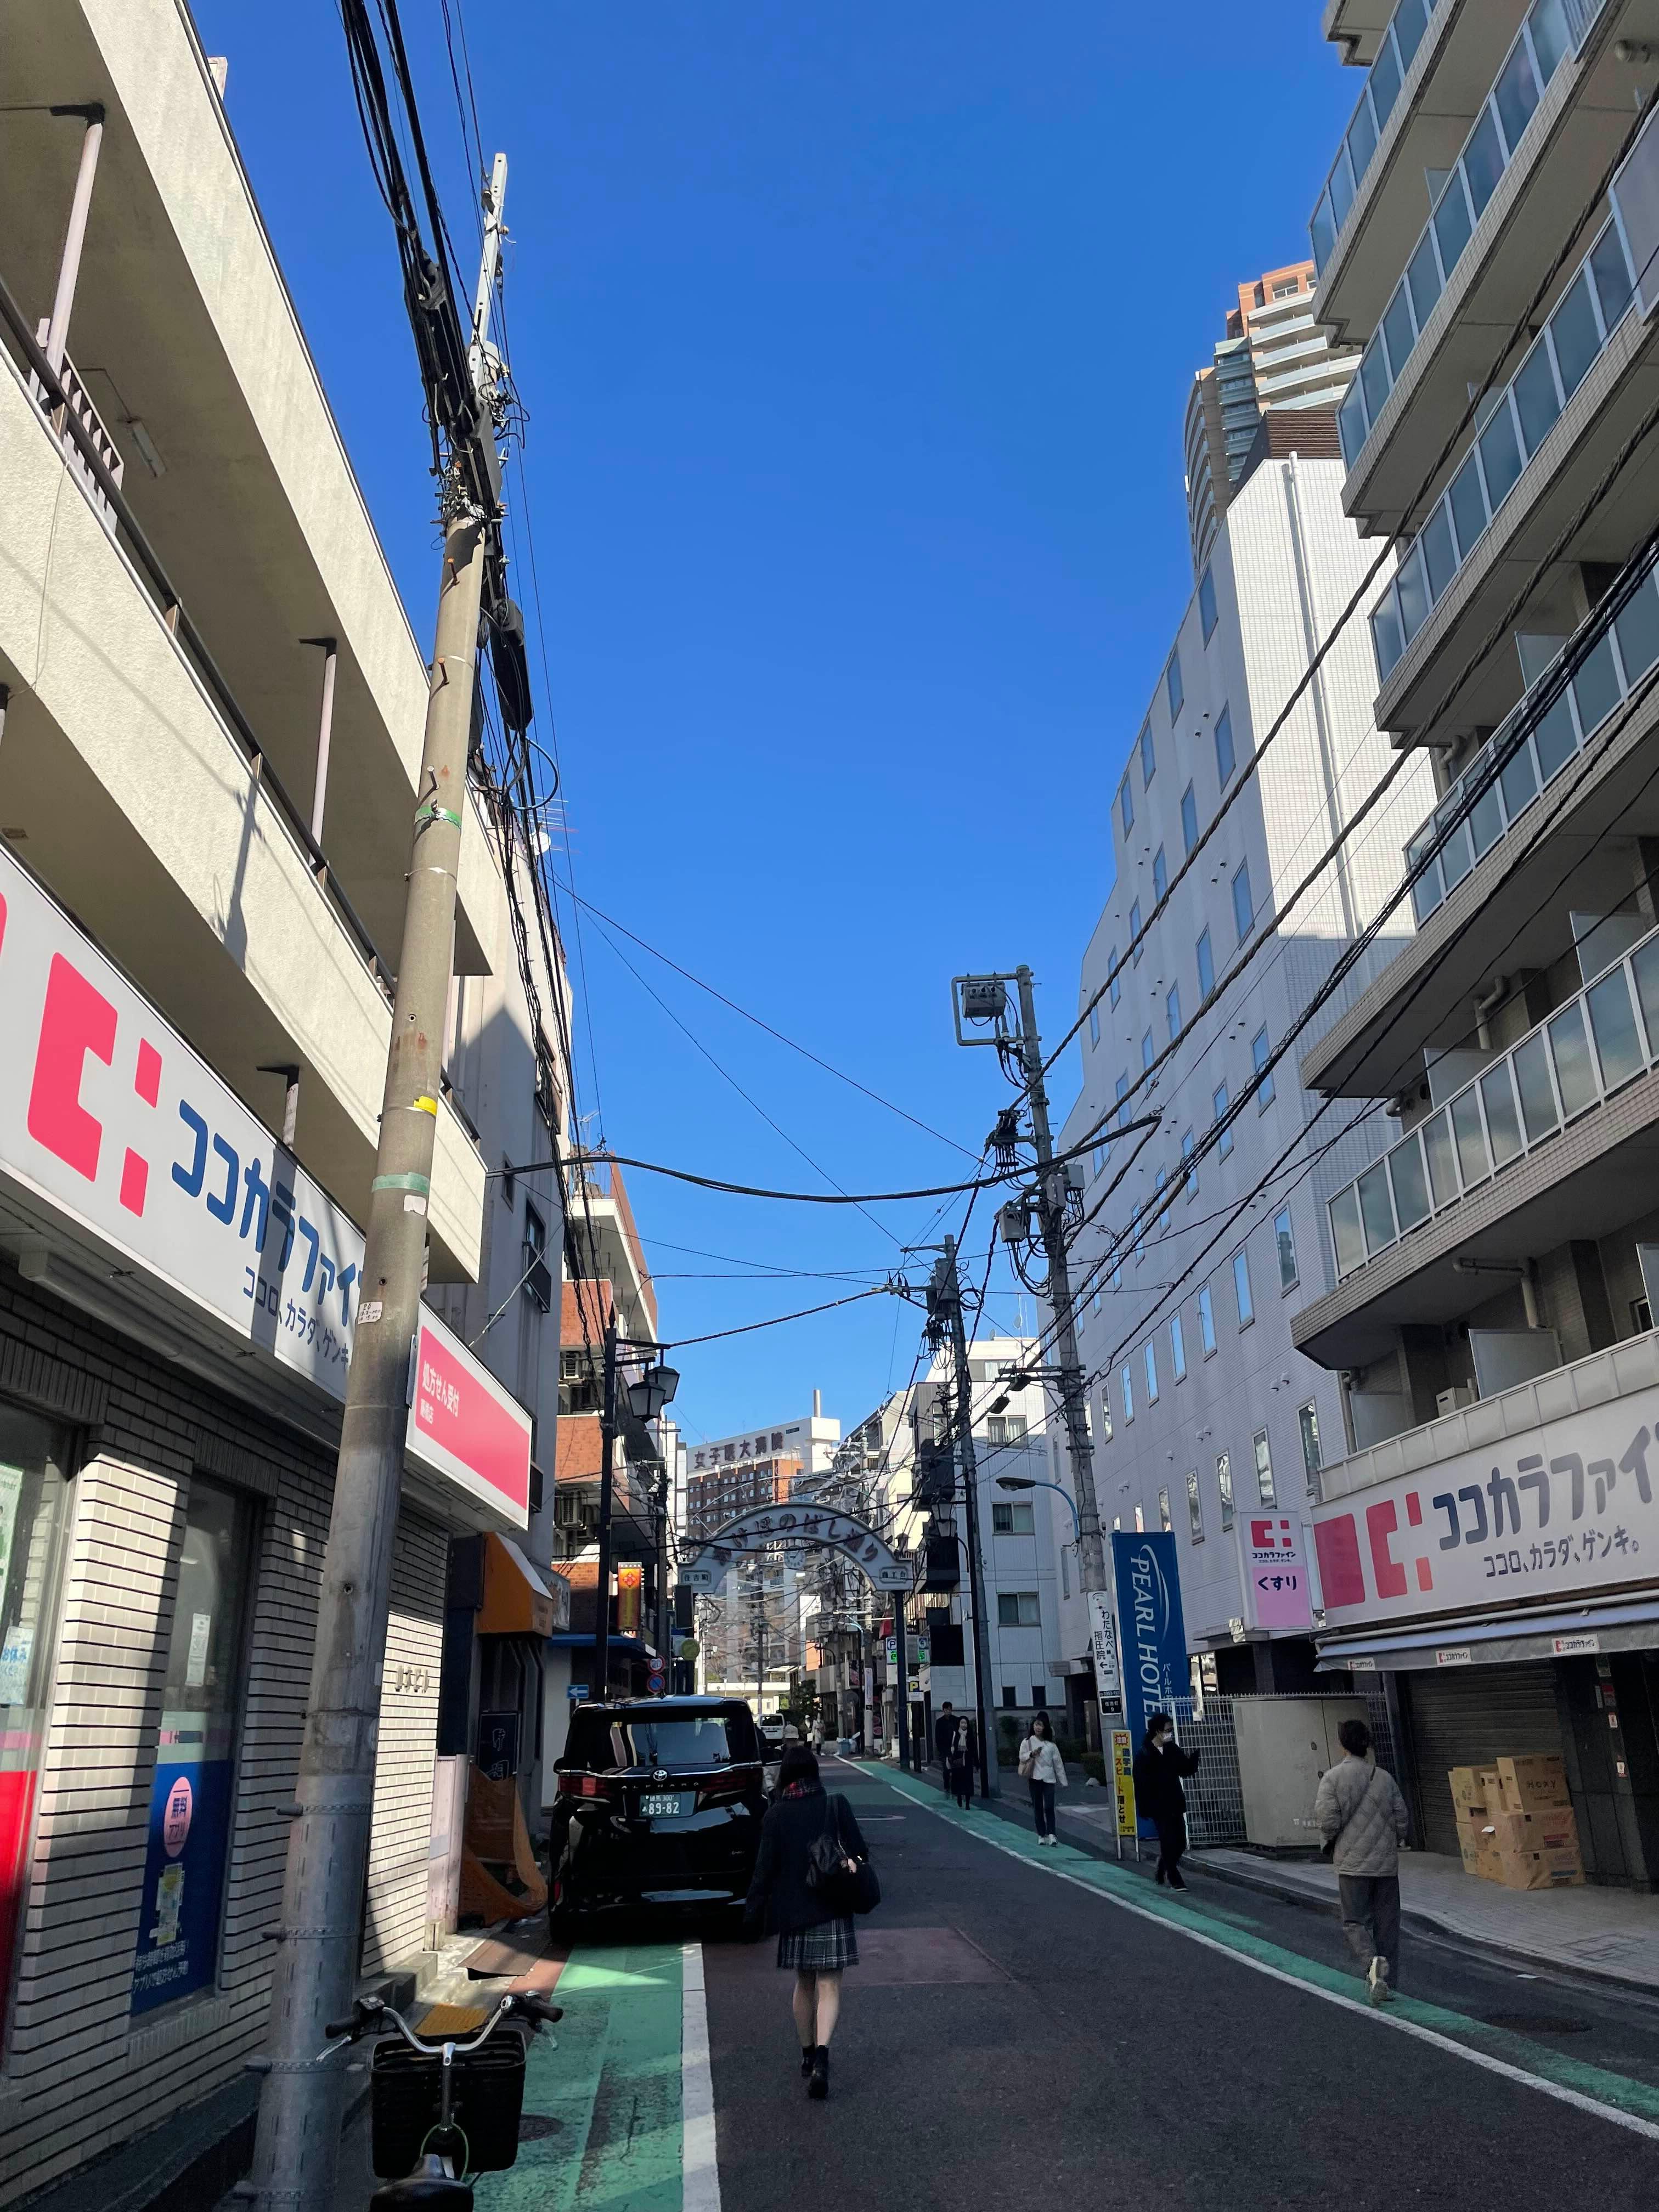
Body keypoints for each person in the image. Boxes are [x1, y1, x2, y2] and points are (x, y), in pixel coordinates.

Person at [744, 1742, 868, 2099]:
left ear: (785, 1776)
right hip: (832, 1906)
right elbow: (860, 1851)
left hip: (794, 1913)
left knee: (804, 1983)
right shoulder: (834, 1805)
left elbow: (763, 1871)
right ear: (815, 1772)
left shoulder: (776, 1814)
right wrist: (851, 1863)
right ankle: (823, 2059)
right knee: (830, 1985)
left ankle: (807, 2054)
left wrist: (752, 1913)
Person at [1314, 1716, 1410, 2006]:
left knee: (1355, 1921)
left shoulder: (1332, 1778)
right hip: (1386, 1866)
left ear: (1342, 1745)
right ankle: (1388, 1982)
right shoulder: (1384, 1777)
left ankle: (1372, 1965)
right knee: (1387, 1926)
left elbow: (1328, 1821)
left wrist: (1332, 1842)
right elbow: (1402, 1818)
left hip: (1352, 1865)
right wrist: (1392, 1841)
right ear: (1367, 1745)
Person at [1132, 1711, 1200, 1889]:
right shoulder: (1145, 1754)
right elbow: (1140, 1784)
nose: (1170, 1733)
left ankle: (1163, 1864)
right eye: (1168, 1730)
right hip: (1158, 1806)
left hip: (1175, 1801)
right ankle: (1174, 1877)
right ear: (1157, 1731)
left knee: (1180, 1842)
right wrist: (1144, 1806)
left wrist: (1194, 1760)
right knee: (1168, 1840)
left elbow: (1184, 1770)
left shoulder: (1172, 1750)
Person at [1019, 1712, 1066, 1846]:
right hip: (1034, 1778)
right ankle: (1041, 1834)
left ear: (1046, 1727)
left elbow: (1058, 1764)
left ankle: (1052, 1834)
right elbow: (1022, 1757)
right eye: (1036, 1725)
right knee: (1038, 1807)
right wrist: (1031, 1754)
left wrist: (1063, 1781)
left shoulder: (1051, 1745)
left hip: (1049, 1779)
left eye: (1041, 1725)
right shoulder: (1027, 1742)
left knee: (1049, 1807)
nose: (1038, 1727)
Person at [945, 1713, 977, 1809]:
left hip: (967, 1762)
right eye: (962, 1723)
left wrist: (976, 1763)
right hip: (958, 1762)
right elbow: (952, 1747)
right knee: (959, 1782)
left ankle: (967, 1804)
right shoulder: (955, 1735)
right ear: (959, 1724)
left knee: (968, 1783)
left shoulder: (970, 1735)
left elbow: (974, 1749)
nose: (964, 1725)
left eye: (965, 1723)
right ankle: (959, 1797)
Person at [932, 1701, 957, 1773]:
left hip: (954, 1748)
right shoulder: (940, 1722)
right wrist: (941, 1750)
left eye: (949, 1709)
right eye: (946, 1710)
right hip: (944, 1749)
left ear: (951, 1710)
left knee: (955, 1768)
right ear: (943, 1710)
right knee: (946, 1769)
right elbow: (938, 1737)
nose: (948, 1711)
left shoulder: (956, 1720)